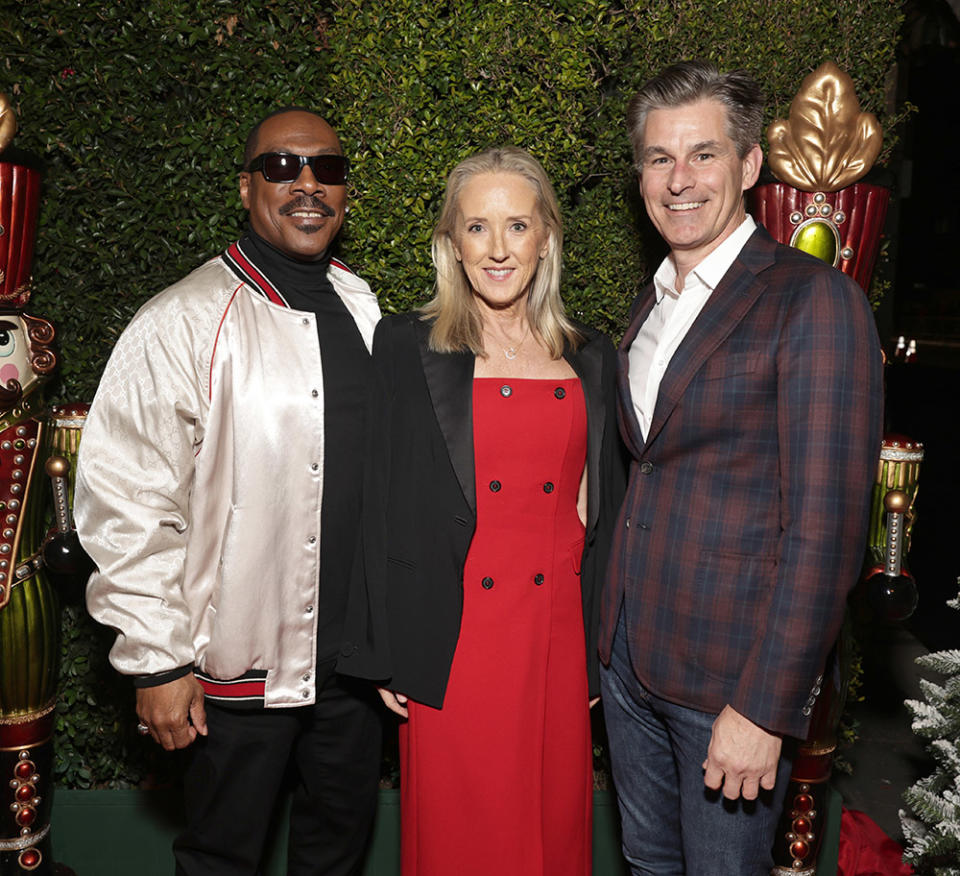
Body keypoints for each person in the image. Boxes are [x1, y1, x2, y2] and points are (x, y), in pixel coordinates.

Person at [75, 107, 382, 876]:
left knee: (336, 858)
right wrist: (156, 662)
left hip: (353, 674)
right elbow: (127, 501)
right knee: (221, 861)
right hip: (234, 670)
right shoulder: (182, 318)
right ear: (246, 189)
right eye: (282, 167)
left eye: (328, 170)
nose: (308, 184)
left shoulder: (364, 305)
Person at [599, 61, 884, 875]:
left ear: (751, 165)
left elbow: (827, 532)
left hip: (732, 680)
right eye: (658, 159)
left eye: (703, 154)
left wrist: (765, 706)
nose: (678, 180)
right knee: (649, 865)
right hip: (630, 663)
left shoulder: (814, 303)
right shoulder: (649, 306)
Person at [337, 147, 625, 876]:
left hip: (557, 636)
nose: (498, 248)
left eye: (518, 226)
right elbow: (378, 500)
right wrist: (383, 646)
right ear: (450, 244)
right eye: (477, 228)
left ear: (547, 239)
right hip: (450, 638)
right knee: (462, 837)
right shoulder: (407, 346)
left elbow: (607, 516)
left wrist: (602, 651)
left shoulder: (592, 355)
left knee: (550, 827)